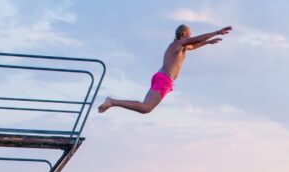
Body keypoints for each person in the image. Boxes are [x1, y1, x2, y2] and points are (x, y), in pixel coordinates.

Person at [97, 24, 233, 115]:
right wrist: (216, 32)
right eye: (190, 35)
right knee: (146, 108)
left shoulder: (181, 47)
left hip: (161, 76)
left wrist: (207, 43)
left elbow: (195, 45)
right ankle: (113, 101)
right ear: (184, 34)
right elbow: (196, 40)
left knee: (145, 107)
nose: (192, 37)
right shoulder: (178, 43)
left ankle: (113, 102)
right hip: (164, 79)